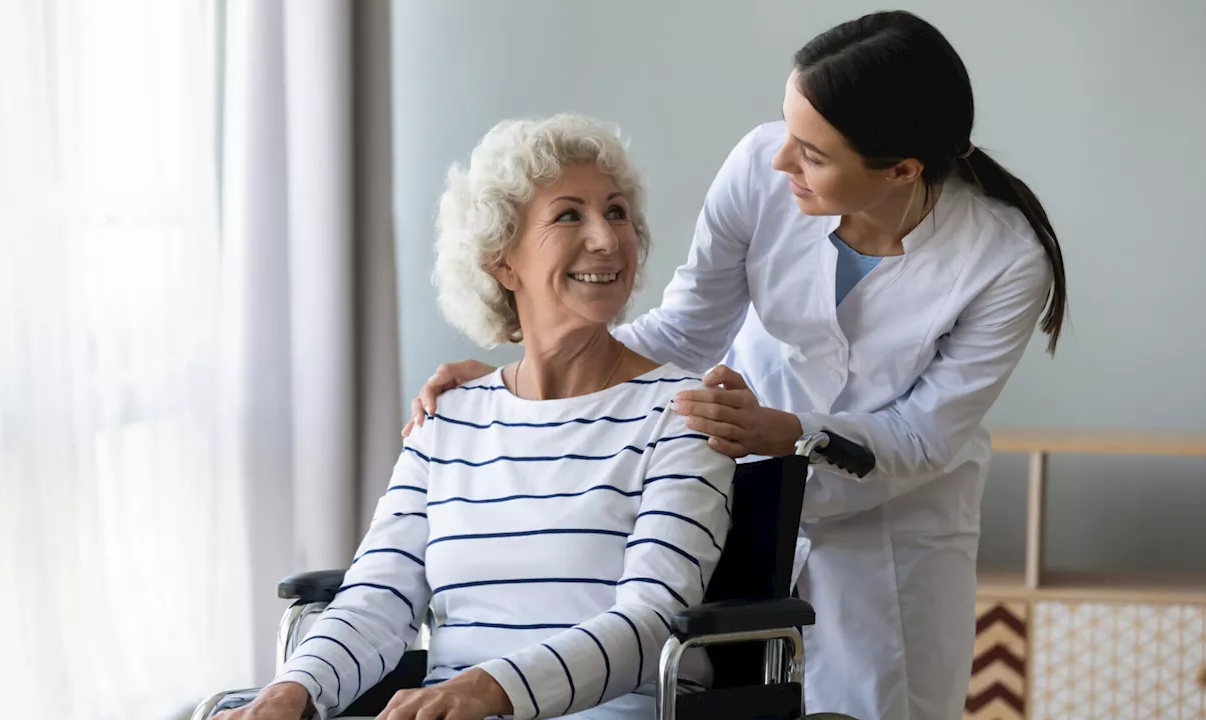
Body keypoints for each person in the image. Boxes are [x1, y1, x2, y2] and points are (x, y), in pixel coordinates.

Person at [404, 10, 1068, 720]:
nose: (781, 160)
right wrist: (531, 379)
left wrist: (789, 432)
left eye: (812, 155)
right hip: (739, 494)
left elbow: (923, 437)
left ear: (901, 170)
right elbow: (689, 328)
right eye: (788, 131)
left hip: (893, 536)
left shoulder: (1004, 259)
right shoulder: (760, 167)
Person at [216, 115, 735, 720]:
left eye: (616, 212)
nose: (606, 238)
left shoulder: (684, 415)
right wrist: (290, 691)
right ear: (501, 262)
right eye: (570, 215)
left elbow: (651, 623)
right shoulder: (449, 419)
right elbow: (375, 602)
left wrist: (485, 690)